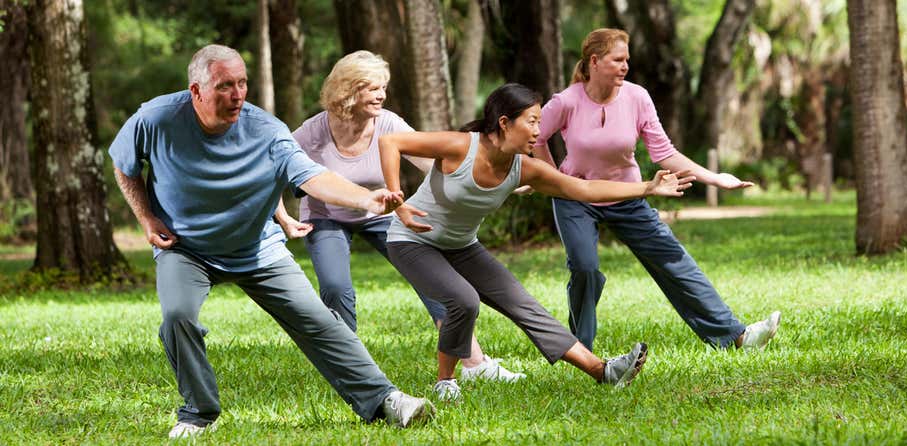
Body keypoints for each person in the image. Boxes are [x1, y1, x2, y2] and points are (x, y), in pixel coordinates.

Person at [108, 44, 434, 439]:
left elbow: (312, 176)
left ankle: (385, 399)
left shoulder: (266, 130)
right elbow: (124, 165)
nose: (238, 95)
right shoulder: (156, 118)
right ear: (196, 91)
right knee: (177, 316)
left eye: (243, 83)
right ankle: (198, 412)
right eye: (225, 86)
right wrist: (145, 217)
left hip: (256, 248)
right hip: (185, 246)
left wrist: (366, 198)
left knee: (318, 321)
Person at [378, 83, 695, 400]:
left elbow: (583, 190)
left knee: (524, 305)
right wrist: (398, 201)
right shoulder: (460, 147)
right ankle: (445, 381)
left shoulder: (524, 169)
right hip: (412, 240)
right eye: (531, 121)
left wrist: (646, 189)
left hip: (461, 246)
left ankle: (603, 371)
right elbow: (391, 141)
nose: (538, 131)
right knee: (464, 300)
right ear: (505, 123)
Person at [273, 50, 524, 382]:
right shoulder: (311, 132)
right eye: (372, 88)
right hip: (326, 216)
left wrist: (495, 178)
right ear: (348, 89)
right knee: (335, 288)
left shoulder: (388, 123)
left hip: (381, 212)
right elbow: (272, 173)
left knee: (433, 279)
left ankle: (475, 364)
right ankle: (348, 369)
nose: (381, 95)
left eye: (383, 87)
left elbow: (431, 162)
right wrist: (284, 218)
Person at [532, 28, 781, 352]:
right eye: (617, 60)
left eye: (627, 60)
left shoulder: (637, 98)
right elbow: (536, 136)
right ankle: (581, 350)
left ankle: (738, 336)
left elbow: (664, 153)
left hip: (629, 194)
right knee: (585, 267)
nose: (625, 66)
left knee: (673, 259)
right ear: (594, 61)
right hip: (577, 196)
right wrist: (553, 179)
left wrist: (715, 177)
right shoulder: (566, 101)